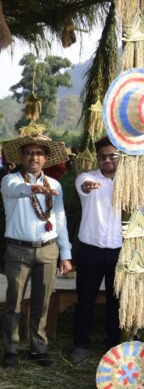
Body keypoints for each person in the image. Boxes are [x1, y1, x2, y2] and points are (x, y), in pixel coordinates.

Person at [0, 133, 72, 369]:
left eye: (39, 153)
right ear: (21, 156)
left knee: (43, 303)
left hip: (48, 250)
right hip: (18, 251)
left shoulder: (56, 185)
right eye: (29, 152)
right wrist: (35, 188)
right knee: (14, 302)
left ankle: (38, 349)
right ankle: (11, 349)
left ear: (46, 158)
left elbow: (60, 220)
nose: (34, 157)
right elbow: (16, 191)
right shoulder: (10, 180)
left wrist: (66, 254)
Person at [69, 136, 122, 364]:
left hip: (120, 252)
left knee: (116, 301)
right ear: (97, 158)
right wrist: (88, 187)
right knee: (86, 299)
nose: (107, 160)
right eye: (103, 156)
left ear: (121, 157)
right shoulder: (87, 178)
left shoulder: (131, 184)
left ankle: (114, 345)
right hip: (90, 251)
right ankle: (81, 344)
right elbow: (84, 187)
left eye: (112, 156)